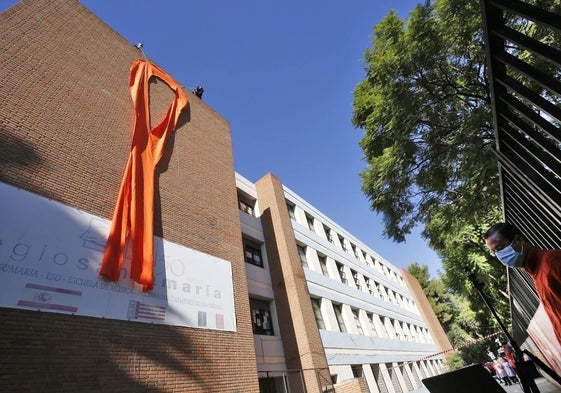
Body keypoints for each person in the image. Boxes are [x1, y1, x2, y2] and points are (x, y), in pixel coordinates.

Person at [484, 222, 561, 346]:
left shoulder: (553, 262)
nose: (499, 255)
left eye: (500, 248)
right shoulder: (536, 273)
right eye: (494, 252)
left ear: (519, 240)